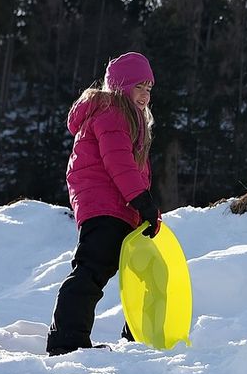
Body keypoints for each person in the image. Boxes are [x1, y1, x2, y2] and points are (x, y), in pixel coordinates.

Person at [46, 52, 162, 356]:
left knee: (145, 270)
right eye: (139, 87)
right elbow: (119, 164)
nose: (145, 95)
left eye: (149, 89)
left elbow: (133, 171)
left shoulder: (130, 119)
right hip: (104, 206)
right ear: (121, 87)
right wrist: (142, 201)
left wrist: (140, 210)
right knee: (92, 269)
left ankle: (138, 338)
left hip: (121, 207)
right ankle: (67, 340)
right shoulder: (111, 114)